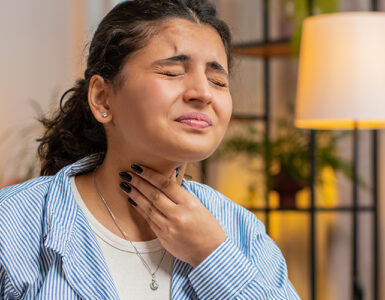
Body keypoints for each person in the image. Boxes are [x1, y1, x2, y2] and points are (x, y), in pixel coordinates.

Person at [0, 0, 300, 299]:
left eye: (218, 80)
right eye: (172, 72)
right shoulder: (11, 223)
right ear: (103, 98)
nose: (204, 93)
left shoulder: (241, 232)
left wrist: (212, 255)